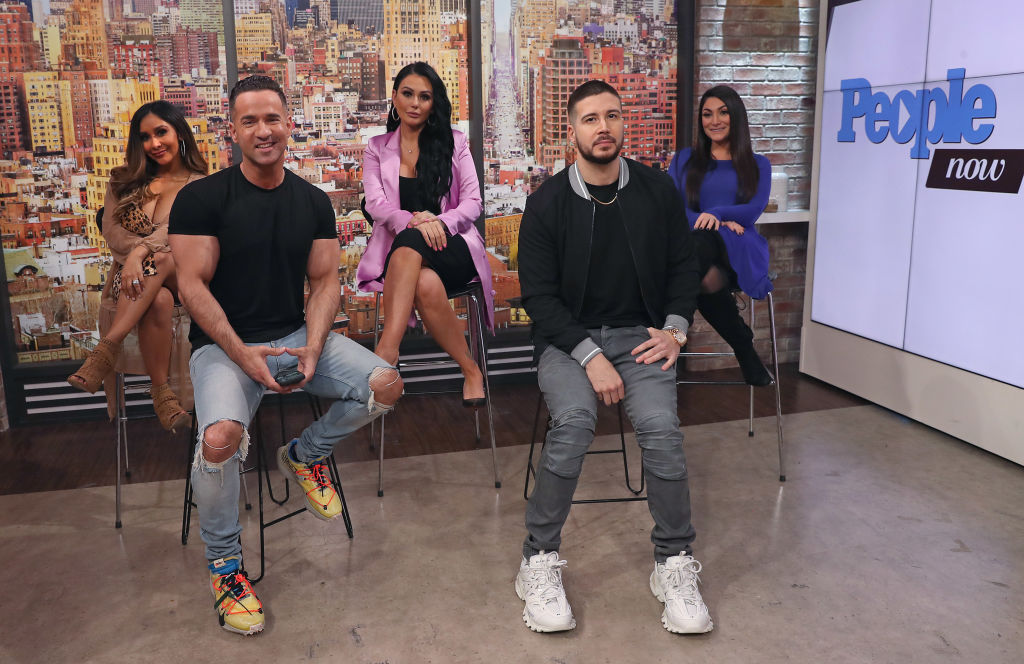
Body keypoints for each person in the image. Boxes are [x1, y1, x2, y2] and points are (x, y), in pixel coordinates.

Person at [168, 75, 403, 636]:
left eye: (272, 118)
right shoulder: (201, 200)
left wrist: (315, 346)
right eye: (249, 121)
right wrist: (242, 354)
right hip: (223, 350)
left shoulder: (312, 202)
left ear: (289, 123)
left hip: (295, 336)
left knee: (385, 385)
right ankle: (226, 568)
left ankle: (305, 453)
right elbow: (192, 287)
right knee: (219, 439)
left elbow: (324, 283)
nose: (263, 130)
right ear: (232, 130)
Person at [515, 80, 712, 635]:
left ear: (624, 123)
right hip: (568, 341)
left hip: (641, 337)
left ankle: (673, 562)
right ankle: (537, 559)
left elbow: (683, 268)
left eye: (612, 116)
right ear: (571, 131)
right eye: (590, 119)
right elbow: (539, 298)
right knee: (575, 420)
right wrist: (589, 356)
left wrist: (675, 331)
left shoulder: (656, 191)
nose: (603, 128)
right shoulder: (546, 204)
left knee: (661, 428)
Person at [356, 61, 493, 406]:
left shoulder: (455, 142)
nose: (415, 103)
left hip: (454, 248)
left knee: (412, 242)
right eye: (408, 94)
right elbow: (375, 204)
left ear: (434, 104)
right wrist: (414, 221)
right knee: (424, 281)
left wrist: (440, 223)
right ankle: (471, 370)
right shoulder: (376, 148)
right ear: (394, 97)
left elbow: (474, 203)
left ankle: (386, 353)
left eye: (425, 97)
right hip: (407, 259)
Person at [67, 100, 207, 432]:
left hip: (184, 274)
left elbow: (177, 232)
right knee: (158, 299)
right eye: (145, 137)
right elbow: (112, 231)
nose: (154, 143)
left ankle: (105, 350)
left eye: (161, 132)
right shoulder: (122, 181)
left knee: (166, 256)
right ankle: (162, 394)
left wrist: (137, 254)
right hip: (138, 283)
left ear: (179, 133)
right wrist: (137, 254)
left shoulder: (200, 184)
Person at [667, 85, 773, 386]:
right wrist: (715, 220)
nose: (714, 121)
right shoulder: (684, 160)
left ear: (736, 117)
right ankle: (743, 346)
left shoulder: (758, 164)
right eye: (707, 114)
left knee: (699, 247)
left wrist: (716, 214)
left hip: (738, 248)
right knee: (704, 275)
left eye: (723, 113)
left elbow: (752, 210)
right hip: (699, 252)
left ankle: (672, 328)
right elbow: (671, 207)